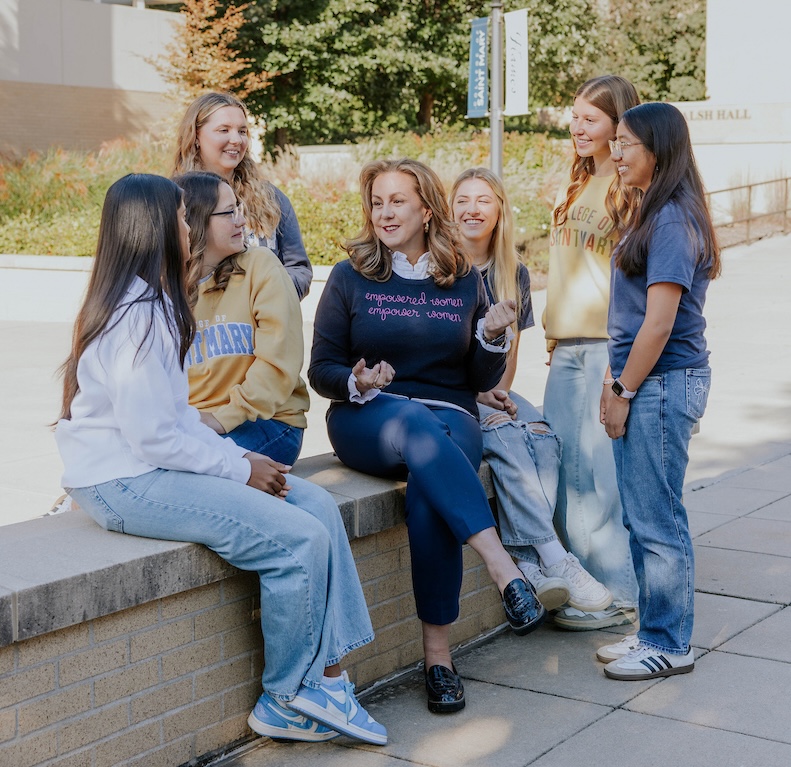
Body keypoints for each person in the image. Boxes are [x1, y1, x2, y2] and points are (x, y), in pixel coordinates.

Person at [54, 173, 386, 745]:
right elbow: (153, 439)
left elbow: (179, 420)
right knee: (296, 540)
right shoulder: (137, 315)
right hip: (124, 480)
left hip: (155, 465)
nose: (191, 228)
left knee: (318, 508)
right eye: (184, 219)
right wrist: (240, 468)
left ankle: (330, 679)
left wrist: (238, 459)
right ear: (154, 229)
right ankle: (285, 697)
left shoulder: (155, 303)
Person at [309, 159, 545, 715]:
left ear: (426, 209)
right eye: (377, 202)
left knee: (428, 491)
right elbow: (321, 369)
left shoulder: (464, 277)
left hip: (450, 417)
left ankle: (437, 658)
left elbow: (481, 381)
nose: (385, 212)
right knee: (414, 421)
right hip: (370, 416)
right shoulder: (350, 276)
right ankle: (502, 567)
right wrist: (357, 380)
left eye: (397, 201)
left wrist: (490, 336)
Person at [451, 168, 612, 614]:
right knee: (505, 437)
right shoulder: (442, 266)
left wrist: (500, 395)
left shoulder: (512, 272)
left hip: (490, 388)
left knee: (541, 433)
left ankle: (528, 562)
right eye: (463, 200)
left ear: (500, 210)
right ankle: (555, 553)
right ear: (448, 209)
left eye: (484, 200)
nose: (472, 209)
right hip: (451, 391)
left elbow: (512, 351)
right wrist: (484, 402)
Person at [596, 102, 720, 679]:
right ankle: (652, 630)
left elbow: (659, 322)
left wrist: (621, 387)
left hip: (662, 381)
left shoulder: (671, 218)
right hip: (647, 379)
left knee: (658, 519)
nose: (615, 153)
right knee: (641, 515)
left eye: (626, 144)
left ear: (659, 150)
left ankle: (670, 642)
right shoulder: (653, 211)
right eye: (614, 142)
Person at [542, 75, 642, 630]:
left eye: (591, 118)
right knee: (565, 471)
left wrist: (619, 363)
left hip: (606, 346)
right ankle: (585, 586)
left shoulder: (627, 187)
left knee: (600, 476)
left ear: (618, 123)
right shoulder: (575, 184)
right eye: (575, 115)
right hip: (568, 346)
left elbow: (630, 281)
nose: (579, 127)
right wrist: (553, 339)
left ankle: (619, 591)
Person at [176, 171, 309, 466]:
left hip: (268, 421)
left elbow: (278, 366)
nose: (241, 220)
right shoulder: (167, 287)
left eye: (239, 208)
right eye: (228, 213)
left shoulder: (261, 267)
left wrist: (222, 419)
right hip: (192, 424)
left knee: (183, 471)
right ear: (195, 221)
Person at [172, 92, 312, 300]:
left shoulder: (271, 198)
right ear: (196, 136)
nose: (236, 140)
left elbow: (298, 268)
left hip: (262, 324)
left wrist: (268, 296)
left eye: (242, 131)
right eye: (224, 130)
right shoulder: (173, 199)